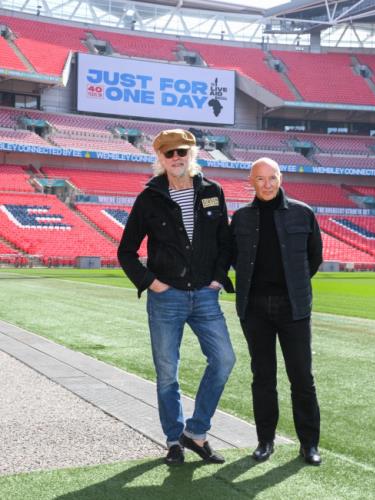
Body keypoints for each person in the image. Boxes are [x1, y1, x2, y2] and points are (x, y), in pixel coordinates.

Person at [118, 128, 235, 465]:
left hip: (205, 296)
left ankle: (196, 432)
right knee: (167, 372)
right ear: (160, 158)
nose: (175, 158)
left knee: (224, 360)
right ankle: (173, 440)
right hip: (166, 298)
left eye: (181, 152)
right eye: (168, 153)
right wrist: (151, 283)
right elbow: (126, 251)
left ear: (191, 154)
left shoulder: (212, 191)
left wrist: (218, 278)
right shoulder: (149, 198)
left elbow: (225, 242)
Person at [231, 157, 323, 466]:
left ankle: (309, 444)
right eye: (260, 178)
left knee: (302, 377)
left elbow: (314, 258)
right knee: (263, 377)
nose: (267, 184)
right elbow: (234, 257)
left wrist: (293, 285)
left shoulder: (303, 213)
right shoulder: (241, 218)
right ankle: (265, 441)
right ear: (251, 182)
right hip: (255, 309)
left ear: (280, 178)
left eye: (272, 178)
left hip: (294, 308)